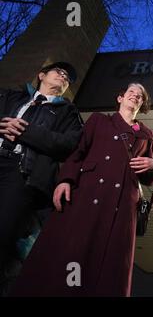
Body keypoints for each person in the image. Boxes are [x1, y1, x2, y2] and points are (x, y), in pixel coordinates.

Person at [10, 83, 153, 296]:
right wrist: (65, 180)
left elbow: (146, 177)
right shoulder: (99, 120)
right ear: (120, 98)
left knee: (109, 262)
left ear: (142, 104)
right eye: (131, 92)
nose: (135, 96)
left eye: (140, 96)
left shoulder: (146, 134)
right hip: (87, 192)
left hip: (121, 204)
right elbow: (78, 151)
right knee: (71, 250)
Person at [0, 62, 83, 295]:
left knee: (5, 233)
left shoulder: (68, 112)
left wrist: (26, 131)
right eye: (59, 71)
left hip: (21, 174)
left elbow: (69, 145)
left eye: (67, 77)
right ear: (41, 75)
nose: (63, 76)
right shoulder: (11, 97)